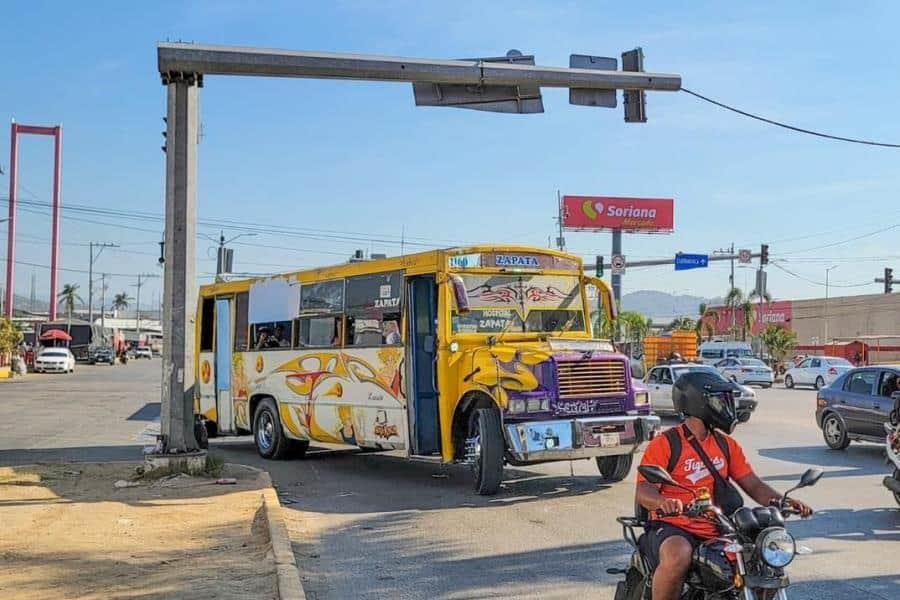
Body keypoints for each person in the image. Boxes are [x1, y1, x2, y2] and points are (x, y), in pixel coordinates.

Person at [636, 371, 813, 600]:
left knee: (762, 560)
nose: (726, 405)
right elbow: (644, 490)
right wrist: (664, 502)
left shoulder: (726, 445)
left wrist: (784, 501)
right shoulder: (666, 443)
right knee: (678, 554)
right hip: (674, 526)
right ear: (698, 403)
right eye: (720, 399)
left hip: (720, 525)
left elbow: (753, 484)